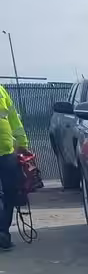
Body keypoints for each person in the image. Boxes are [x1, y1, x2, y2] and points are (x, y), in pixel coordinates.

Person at [0, 82, 30, 251]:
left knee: (9, 194)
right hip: (6, 150)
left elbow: (13, 119)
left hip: (6, 151)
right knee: (8, 194)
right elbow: (14, 119)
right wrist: (22, 143)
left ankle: (2, 233)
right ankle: (2, 233)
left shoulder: (1, 90)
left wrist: (22, 144)